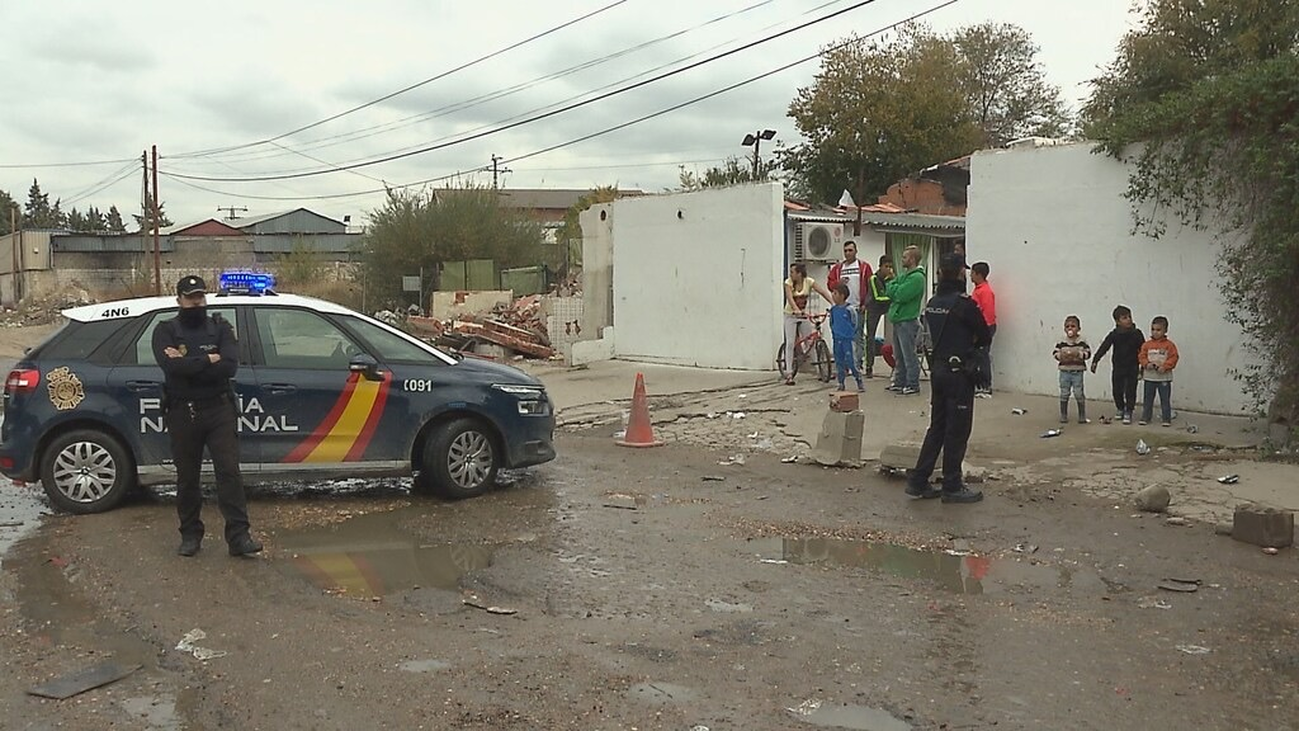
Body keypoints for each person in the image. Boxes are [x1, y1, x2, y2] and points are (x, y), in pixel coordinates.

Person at [153, 275, 262, 557]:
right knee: (187, 478)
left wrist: (188, 362)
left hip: (218, 409)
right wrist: (207, 360)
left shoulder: (220, 326)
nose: (196, 303)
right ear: (179, 300)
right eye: (190, 298)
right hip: (182, 411)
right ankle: (190, 535)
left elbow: (228, 367)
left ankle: (239, 537)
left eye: (200, 297)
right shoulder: (165, 330)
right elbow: (171, 369)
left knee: (229, 473)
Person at [905, 253, 991, 503]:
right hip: (958, 374)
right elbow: (984, 335)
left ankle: (919, 480)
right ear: (959, 274)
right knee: (957, 430)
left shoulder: (933, 302)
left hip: (938, 371)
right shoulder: (964, 304)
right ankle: (952, 485)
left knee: (937, 428)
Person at [1090, 305, 1145, 425]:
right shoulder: (1114, 334)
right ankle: (1120, 408)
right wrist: (1095, 360)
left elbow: (1143, 350)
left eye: (1129, 317)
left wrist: (1143, 366)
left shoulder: (1136, 334)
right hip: (1118, 367)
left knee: (1130, 390)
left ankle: (1129, 411)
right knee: (1117, 390)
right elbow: (1104, 346)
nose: (1129, 320)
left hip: (1132, 367)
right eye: (1125, 318)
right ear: (1117, 321)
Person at [826, 240, 873, 372]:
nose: (847, 253)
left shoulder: (863, 267)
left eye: (850, 250)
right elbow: (830, 284)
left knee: (858, 337)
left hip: (858, 307)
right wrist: (838, 283)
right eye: (845, 251)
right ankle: (845, 364)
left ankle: (857, 364)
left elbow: (871, 287)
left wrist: (866, 304)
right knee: (842, 337)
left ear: (856, 251)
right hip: (842, 308)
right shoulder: (838, 268)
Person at [782, 262, 832, 385]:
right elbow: (790, 298)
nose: (791, 274)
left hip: (803, 315)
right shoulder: (788, 283)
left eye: (792, 272)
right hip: (791, 315)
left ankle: (818, 370)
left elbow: (822, 292)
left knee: (810, 342)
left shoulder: (809, 281)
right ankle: (789, 373)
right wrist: (796, 309)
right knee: (790, 343)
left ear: (799, 273)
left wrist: (833, 303)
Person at [885, 245, 926, 396]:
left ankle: (912, 384)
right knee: (899, 355)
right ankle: (899, 381)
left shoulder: (917, 278)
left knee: (909, 355)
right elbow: (889, 289)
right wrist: (893, 286)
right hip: (897, 319)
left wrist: (894, 288)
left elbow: (900, 295)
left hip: (908, 320)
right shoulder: (905, 275)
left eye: (904, 257)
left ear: (912, 259)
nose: (902, 260)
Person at [1138, 316, 1180, 426]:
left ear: (1165, 330)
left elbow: (1174, 358)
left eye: (1158, 330)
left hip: (1164, 378)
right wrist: (1146, 364)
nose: (1155, 332)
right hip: (1149, 377)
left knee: (1165, 400)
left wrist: (1165, 366)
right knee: (1148, 399)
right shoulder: (1147, 345)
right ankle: (1146, 417)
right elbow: (1141, 356)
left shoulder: (1169, 345)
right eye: (1153, 329)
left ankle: (1166, 419)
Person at [1053, 315, 1092, 424]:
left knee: (1078, 393)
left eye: (1073, 326)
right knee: (1064, 393)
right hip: (1064, 371)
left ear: (1078, 329)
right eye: (1068, 326)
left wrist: (1079, 354)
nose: (1070, 329)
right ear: (1064, 329)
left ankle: (1082, 415)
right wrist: (1061, 356)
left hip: (1077, 371)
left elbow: (1088, 353)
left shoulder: (1082, 341)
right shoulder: (1061, 342)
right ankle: (1063, 415)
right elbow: (1055, 353)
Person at [828, 282, 865, 392]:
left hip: (848, 340)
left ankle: (858, 380)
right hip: (837, 340)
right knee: (839, 362)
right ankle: (841, 383)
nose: (833, 296)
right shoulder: (833, 310)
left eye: (835, 293)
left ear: (842, 295)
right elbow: (832, 322)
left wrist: (850, 334)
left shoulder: (850, 309)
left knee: (851, 362)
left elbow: (855, 322)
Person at [969, 261, 996, 398]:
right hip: (979, 328)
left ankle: (986, 385)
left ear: (979, 274)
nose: (970, 275)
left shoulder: (985, 291)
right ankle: (978, 384)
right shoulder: (978, 289)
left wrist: (980, 332)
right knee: (977, 357)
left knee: (983, 356)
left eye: (972, 273)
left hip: (985, 328)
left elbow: (988, 313)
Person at [863, 255, 893, 378]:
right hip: (873, 308)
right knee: (870, 337)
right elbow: (877, 297)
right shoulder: (873, 278)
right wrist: (892, 297)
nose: (888, 269)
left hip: (886, 307)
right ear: (880, 267)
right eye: (886, 267)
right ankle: (869, 366)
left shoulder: (890, 278)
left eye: (890, 267)